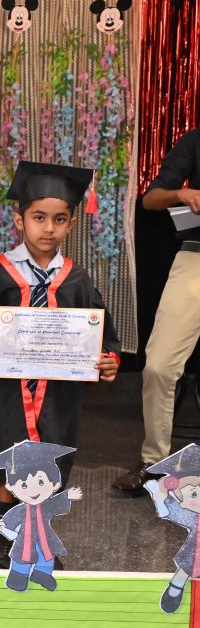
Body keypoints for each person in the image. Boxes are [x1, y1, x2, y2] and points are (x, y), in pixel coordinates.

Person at [0, 161, 120, 568]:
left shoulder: (76, 278)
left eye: (59, 220)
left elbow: (101, 330)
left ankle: (41, 538)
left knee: (52, 460)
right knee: (9, 456)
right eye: (38, 218)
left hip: (60, 391)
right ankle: (10, 540)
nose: (48, 228)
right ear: (20, 220)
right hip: (10, 389)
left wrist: (108, 360)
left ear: (71, 224)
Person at [115, 128, 200, 495]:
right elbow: (151, 199)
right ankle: (153, 463)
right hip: (196, 258)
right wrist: (183, 193)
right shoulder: (195, 141)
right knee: (159, 366)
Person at [0, 441, 81, 593]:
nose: (33, 490)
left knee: (46, 556)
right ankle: (17, 577)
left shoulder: (46, 506)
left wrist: (67, 496)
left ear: (55, 484)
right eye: (24, 485)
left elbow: (55, 504)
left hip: (44, 539)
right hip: (24, 541)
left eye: (41, 482)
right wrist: (1, 525)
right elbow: (9, 521)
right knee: (22, 558)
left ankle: (42, 574)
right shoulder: (19, 511)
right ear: (11, 487)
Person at [144, 444, 200, 613]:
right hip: (194, 556)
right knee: (188, 563)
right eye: (193, 494)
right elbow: (171, 512)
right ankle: (176, 587)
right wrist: (161, 498)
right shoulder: (193, 517)